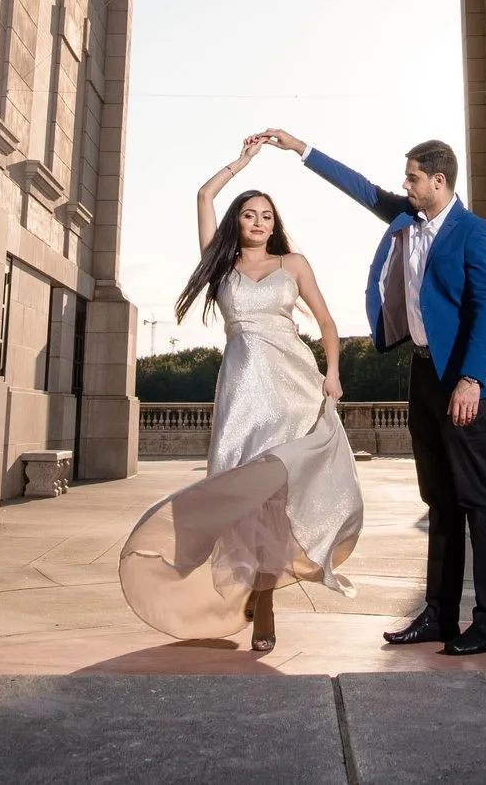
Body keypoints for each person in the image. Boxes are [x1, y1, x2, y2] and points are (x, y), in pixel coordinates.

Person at [256, 128, 486, 656]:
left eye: (414, 178)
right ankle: (440, 616)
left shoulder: (473, 231)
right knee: (440, 501)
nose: (406, 185)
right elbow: (363, 188)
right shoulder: (408, 217)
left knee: (478, 501)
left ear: (439, 181)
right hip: (421, 375)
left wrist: (471, 379)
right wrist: (302, 148)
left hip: (463, 381)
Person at [117, 137, 361, 654]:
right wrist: (243, 163)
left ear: (276, 225)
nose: (258, 222)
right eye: (250, 214)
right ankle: (250, 584)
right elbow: (205, 195)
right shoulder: (221, 266)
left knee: (274, 495)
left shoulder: (293, 264)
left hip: (292, 387)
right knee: (239, 494)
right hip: (241, 393)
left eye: (267, 216)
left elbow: (326, 321)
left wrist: (333, 372)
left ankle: (266, 601)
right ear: (238, 221)